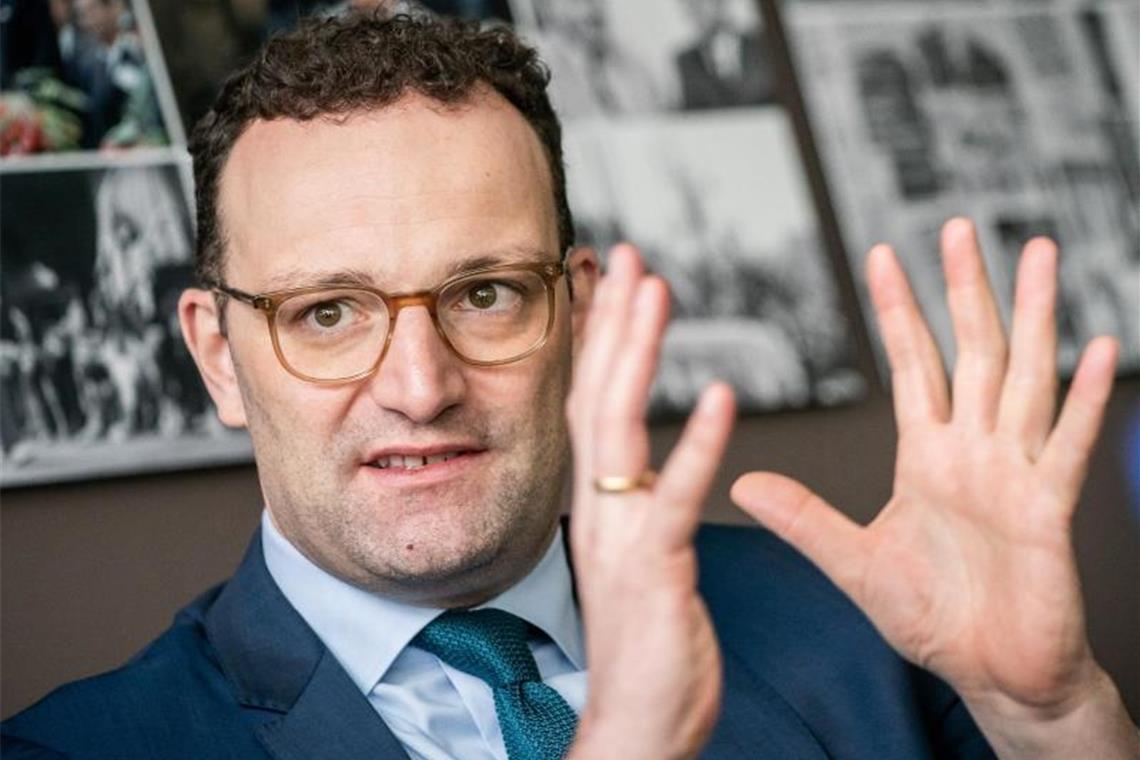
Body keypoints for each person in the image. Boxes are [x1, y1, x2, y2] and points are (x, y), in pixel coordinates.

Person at [3, 12, 1138, 760]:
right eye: (329, 313)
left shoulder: (862, 628)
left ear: (577, 313)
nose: (420, 385)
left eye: (485, 293)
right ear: (218, 355)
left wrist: (1051, 717)